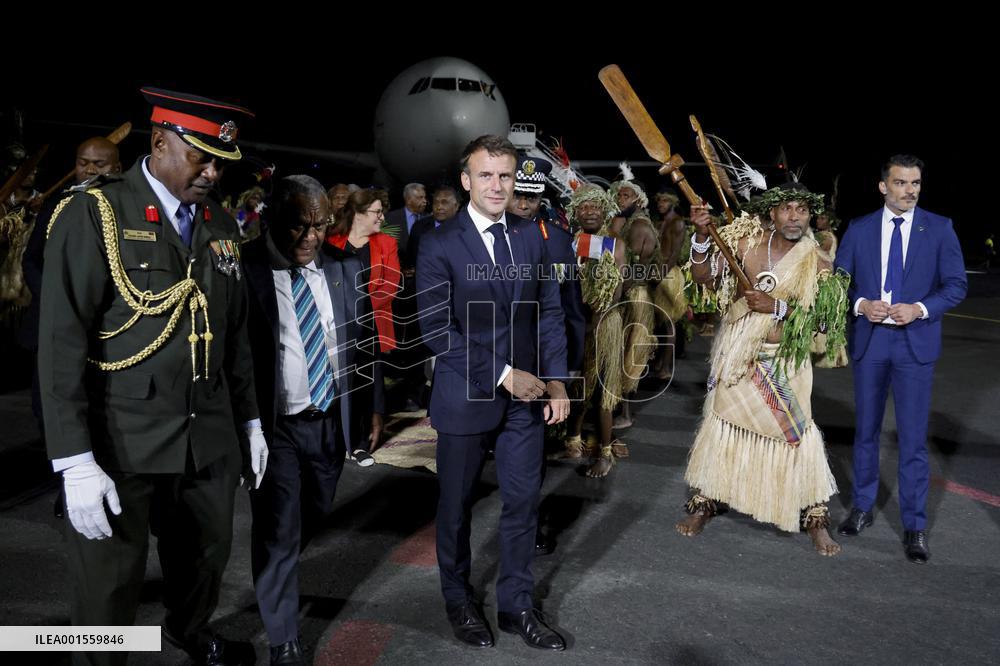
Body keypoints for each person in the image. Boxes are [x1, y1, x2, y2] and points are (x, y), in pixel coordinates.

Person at [39, 87, 265, 666]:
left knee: (206, 559)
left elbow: (233, 331)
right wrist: (74, 460)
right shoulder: (97, 212)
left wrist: (250, 418)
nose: (213, 173)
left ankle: (185, 636)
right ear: (160, 142)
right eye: (202, 158)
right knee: (108, 584)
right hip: (123, 437)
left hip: (205, 436)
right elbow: (61, 343)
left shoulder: (218, 222)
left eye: (221, 163)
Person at [416, 135, 569, 651]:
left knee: (523, 504)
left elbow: (549, 312)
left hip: (527, 399)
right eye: (486, 175)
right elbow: (437, 329)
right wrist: (504, 374)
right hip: (467, 397)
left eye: (505, 176)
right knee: (456, 508)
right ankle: (458, 599)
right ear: (466, 181)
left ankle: (516, 606)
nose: (498, 186)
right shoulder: (439, 242)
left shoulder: (532, 237)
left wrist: (557, 381)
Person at [242, 175, 383, 665]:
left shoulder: (345, 266)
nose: (309, 238)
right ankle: (284, 638)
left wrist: (372, 409)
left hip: (329, 422)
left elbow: (364, 344)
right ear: (271, 220)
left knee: (310, 516)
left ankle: (273, 569)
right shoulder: (245, 268)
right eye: (298, 226)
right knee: (279, 528)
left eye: (319, 226)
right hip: (275, 426)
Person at [676, 183, 849, 557]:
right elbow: (704, 278)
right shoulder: (745, 243)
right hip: (740, 354)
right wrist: (703, 236)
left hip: (787, 358)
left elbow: (822, 323)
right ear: (772, 213)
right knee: (723, 423)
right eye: (787, 209)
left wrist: (778, 308)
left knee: (798, 433)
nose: (795, 217)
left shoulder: (818, 260)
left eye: (802, 210)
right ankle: (705, 501)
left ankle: (815, 517)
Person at [834, 155, 966, 564]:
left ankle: (915, 525)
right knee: (867, 432)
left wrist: (920, 309)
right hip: (872, 343)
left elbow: (956, 285)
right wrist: (860, 305)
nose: (909, 190)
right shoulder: (859, 228)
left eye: (916, 183)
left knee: (912, 440)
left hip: (915, 345)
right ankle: (862, 507)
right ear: (883, 186)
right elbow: (840, 283)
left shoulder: (940, 228)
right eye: (901, 182)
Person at [326, 189, 398, 465]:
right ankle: (337, 436)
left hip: (370, 326)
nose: (382, 217)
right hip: (336, 326)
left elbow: (389, 286)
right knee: (338, 384)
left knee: (366, 385)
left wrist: (358, 309)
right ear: (358, 214)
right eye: (377, 212)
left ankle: (359, 442)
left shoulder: (387, 244)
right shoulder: (332, 241)